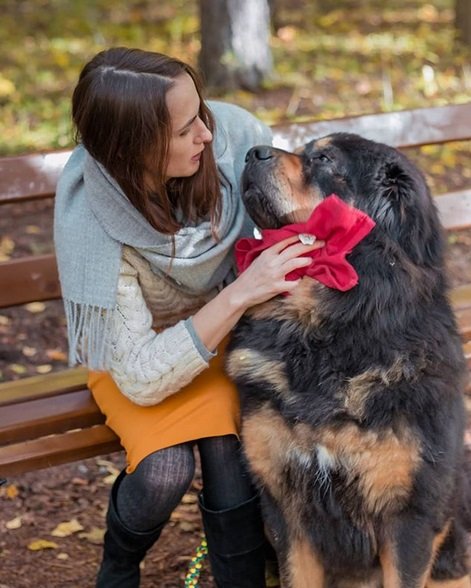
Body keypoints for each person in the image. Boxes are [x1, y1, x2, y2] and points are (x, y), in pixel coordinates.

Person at [54, 47, 320, 588]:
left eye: (202, 112)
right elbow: (142, 376)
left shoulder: (235, 139)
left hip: (231, 336)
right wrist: (240, 293)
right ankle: (120, 563)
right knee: (162, 472)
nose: (205, 133)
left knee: (228, 451)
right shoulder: (91, 218)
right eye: (184, 129)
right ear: (133, 150)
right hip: (135, 350)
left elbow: (297, 230)